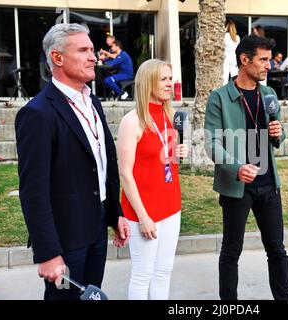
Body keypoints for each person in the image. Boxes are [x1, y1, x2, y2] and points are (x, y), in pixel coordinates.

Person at [15, 23, 130, 300]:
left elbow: (102, 163)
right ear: (57, 58)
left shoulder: (93, 102)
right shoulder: (38, 114)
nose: (93, 57)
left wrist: (115, 213)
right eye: (83, 50)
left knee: (90, 296)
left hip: (97, 226)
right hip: (65, 239)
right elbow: (33, 191)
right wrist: (48, 253)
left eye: (92, 50)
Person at [204, 35, 288, 300]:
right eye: (263, 60)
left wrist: (278, 133)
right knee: (232, 250)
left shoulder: (269, 94)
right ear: (244, 60)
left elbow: (278, 134)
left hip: (268, 184)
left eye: (270, 59)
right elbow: (211, 142)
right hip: (236, 187)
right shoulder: (220, 97)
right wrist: (236, 167)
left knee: (277, 249)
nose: (269, 66)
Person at [117, 59, 189, 300]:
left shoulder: (170, 116)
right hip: (143, 210)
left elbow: (166, 162)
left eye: (171, 78)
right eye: (164, 79)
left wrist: (179, 153)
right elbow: (125, 174)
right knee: (142, 274)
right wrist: (143, 217)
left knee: (164, 271)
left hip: (171, 205)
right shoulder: (132, 121)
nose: (170, 84)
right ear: (148, 82)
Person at [223, 20, 240, 85]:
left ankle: (224, 94)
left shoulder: (225, 36)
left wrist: (224, 30)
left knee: (224, 79)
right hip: (234, 59)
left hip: (226, 59)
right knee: (235, 78)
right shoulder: (237, 37)